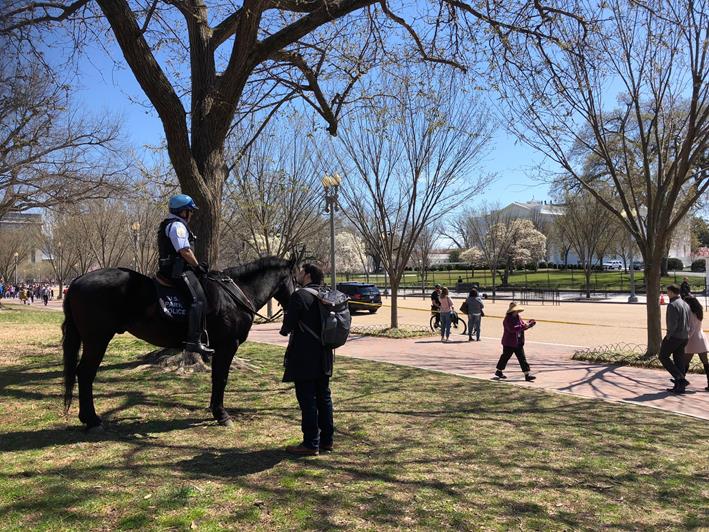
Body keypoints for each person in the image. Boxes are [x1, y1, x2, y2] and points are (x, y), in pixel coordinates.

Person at [279, 263, 334, 456]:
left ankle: (310, 443)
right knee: (324, 397)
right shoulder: (328, 295)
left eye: (301, 272)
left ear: (308, 275)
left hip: (304, 356)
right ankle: (327, 441)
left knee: (307, 399)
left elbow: (286, 328)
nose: (299, 274)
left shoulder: (300, 296)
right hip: (325, 354)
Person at [157, 194, 214, 356]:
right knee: (199, 299)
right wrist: (197, 267)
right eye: (190, 211)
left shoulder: (171, 224)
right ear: (182, 211)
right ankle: (193, 342)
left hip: (173, 268)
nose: (191, 214)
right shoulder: (177, 226)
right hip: (177, 271)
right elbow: (184, 250)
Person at [659, 284, 691, 394]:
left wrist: (668, 336)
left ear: (672, 292)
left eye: (667, 292)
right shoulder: (685, 304)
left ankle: (680, 378)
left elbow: (672, 324)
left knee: (663, 356)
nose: (667, 294)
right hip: (684, 336)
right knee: (679, 359)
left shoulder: (672, 305)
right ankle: (680, 386)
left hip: (675, 336)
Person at [495, 302, 536, 381]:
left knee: (522, 358)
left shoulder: (518, 317)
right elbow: (512, 329)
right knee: (505, 357)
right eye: (516, 310)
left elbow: (522, 327)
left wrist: (529, 324)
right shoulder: (507, 319)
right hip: (509, 343)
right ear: (512, 311)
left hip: (518, 342)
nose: (517, 312)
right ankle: (499, 371)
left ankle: (527, 374)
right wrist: (524, 326)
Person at [682, 296, 709, 391]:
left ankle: (681, 382)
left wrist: (685, 338)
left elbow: (691, 329)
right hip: (701, 338)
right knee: (705, 363)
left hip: (693, 340)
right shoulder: (698, 312)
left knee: (685, 362)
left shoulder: (690, 313)